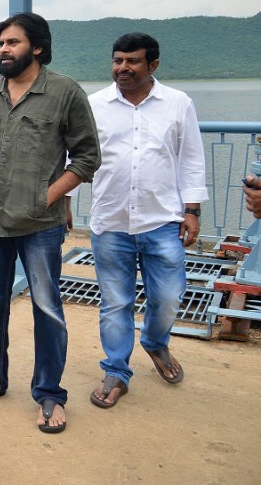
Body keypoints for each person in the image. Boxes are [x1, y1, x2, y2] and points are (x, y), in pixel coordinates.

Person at [0, 12, 100, 434]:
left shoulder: (64, 92)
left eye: (13, 42)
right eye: (1, 42)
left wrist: (45, 198)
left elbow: (88, 157)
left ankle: (49, 393)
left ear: (36, 47)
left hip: (40, 225)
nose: (3, 49)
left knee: (47, 308)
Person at [83, 33, 207, 408]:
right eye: (118, 60)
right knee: (115, 302)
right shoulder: (94, 105)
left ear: (152, 65)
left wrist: (193, 210)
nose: (123, 68)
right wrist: (66, 200)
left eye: (132, 61)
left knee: (168, 298)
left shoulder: (177, 103)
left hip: (162, 220)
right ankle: (117, 371)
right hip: (110, 221)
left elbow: (191, 158)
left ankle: (155, 342)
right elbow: (77, 154)